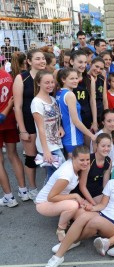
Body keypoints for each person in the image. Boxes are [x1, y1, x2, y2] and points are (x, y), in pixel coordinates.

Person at [44, 158, 114, 267]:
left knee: (94, 222)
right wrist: (91, 208)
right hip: (103, 214)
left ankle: (71, 241)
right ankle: (58, 256)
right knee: (83, 216)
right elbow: (102, 205)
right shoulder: (112, 183)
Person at [35, 145, 90, 242]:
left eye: (87, 159)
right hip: (44, 203)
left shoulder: (80, 167)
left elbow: (82, 185)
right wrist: (75, 196)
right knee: (73, 205)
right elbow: (51, 197)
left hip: (59, 199)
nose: (85, 163)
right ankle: (61, 229)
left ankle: (68, 218)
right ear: (73, 158)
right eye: (82, 160)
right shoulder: (66, 174)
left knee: (83, 215)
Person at [13, 49, 46, 200]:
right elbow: (17, 106)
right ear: (29, 61)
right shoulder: (21, 78)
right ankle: (32, 188)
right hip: (29, 123)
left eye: (43, 58)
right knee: (31, 157)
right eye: (38, 59)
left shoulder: (48, 75)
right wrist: (22, 130)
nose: (42, 61)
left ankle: (49, 187)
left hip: (46, 123)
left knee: (48, 157)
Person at [0, 68, 28, 207]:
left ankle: (9, 197)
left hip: (2, 118)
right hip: (10, 120)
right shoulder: (7, 75)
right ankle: (23, 191)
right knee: (13, 154)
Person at [31, 70, 65, 183]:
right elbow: (40, 128)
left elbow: (56, 119)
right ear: (38, 83)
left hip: (57, 142)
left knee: (52, 177)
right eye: (46, 82)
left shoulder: (53, 99)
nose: (50, 85)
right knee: (63, 173)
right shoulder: (36, 102)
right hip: (47, 146)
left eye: (52, 82)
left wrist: (60, 127)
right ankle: (45, 198)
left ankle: (43, 199)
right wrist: (45, 151)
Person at [56, 68, 96, 157]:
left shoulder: (59, 92)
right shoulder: (70, 95)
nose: (75, 81)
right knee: (75, 167)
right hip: (73, 135)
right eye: (72, 78)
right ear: (63, 79)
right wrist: (91, 136)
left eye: (76, 78)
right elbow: (75, 120)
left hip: (67, 134)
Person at [70, 50, 98, 147]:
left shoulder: (90, 79)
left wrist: (94, 121)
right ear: (72, 62)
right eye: (80, 62)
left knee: (87, 148)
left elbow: (92, 101)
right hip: (71, 118)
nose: (83, 65)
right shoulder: (64, 77)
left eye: (85, 62)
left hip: (86, 117)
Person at [76, 133, 112, 205]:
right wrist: (94, 204)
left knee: (110, 203)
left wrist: (105, 199)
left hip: (97, 191)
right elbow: (82, 186)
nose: (106, 149)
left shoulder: (108, 161)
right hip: (84, 192)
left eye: (108, 146)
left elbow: (105, 185)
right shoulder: (89, 160)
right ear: (96, 146)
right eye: (103, 146)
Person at [88, 57, 107, 123]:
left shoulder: (102, 79)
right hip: (88, 114)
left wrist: (106, 116)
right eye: (96, 66)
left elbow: (104, 100)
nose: (98, 70)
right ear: (90, 64)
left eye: (101, 68)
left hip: (100, 113)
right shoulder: (84, 79)